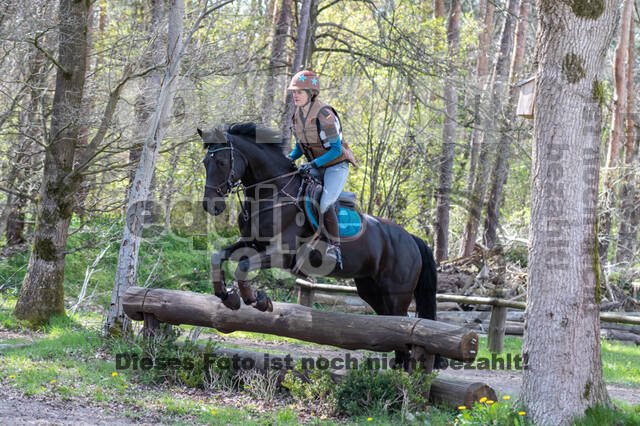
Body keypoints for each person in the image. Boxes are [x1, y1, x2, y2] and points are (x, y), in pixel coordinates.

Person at [286, 69, 357, 270]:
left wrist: (313, 164)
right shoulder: (297, 116)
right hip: (316, 165)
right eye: (294, 92)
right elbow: (301, 146)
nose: (295, 95)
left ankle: (335, 248)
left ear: (312, 93)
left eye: (300, 91)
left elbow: (335, 150)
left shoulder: (325, 113)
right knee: (294, 190)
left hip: (336, 166)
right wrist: (289, 158)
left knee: (325, 202)